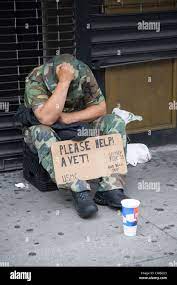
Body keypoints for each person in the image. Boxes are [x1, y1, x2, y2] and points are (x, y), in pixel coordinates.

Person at [24, 54, 128, 218]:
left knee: (114, 121)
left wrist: (70, 118)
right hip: (48, 131)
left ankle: (110, 188)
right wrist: (64, 82)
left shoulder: (83, 71)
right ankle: (79, 190)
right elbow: (46, 118)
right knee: (40, 132)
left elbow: (100, 108)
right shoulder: (36, 78)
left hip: (77, 126)